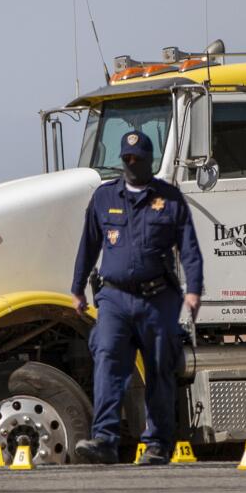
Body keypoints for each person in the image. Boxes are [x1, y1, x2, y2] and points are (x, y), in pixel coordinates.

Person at [70, 130, 203, 465]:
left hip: (157, 300)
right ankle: (105, 440)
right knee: (108, 363)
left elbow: (189, 250)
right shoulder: (104, 197)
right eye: (127, 159)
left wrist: (194, 291)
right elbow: (88, 245)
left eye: (138, 159)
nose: (131, 164)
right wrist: (76, 288)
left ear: (149, 160)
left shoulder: (169, 199)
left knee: (160, 369)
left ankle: (157, 444)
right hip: (113, 299)